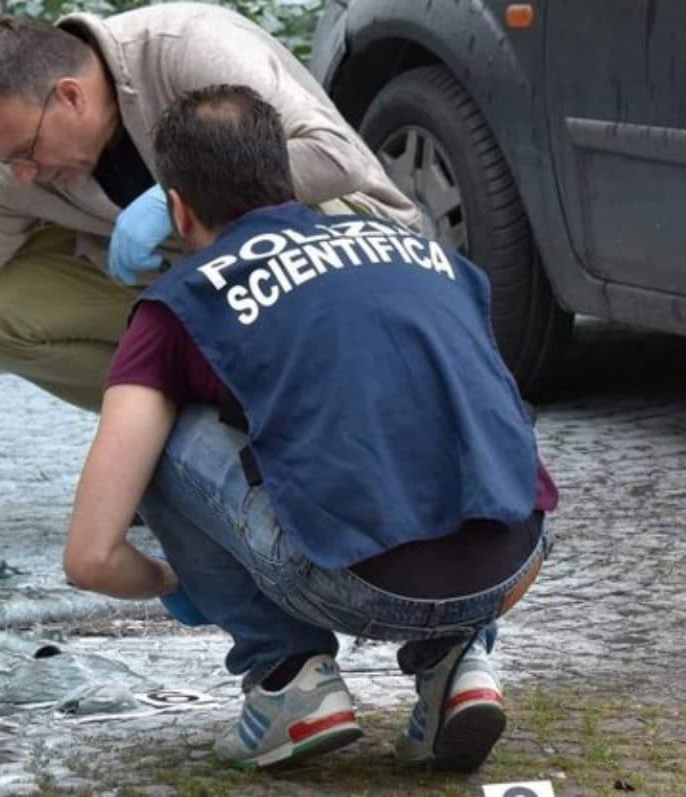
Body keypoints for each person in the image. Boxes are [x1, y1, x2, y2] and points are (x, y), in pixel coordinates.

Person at [61, 84, 558, 772]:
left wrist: (182, 578)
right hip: (516, 556)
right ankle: (458, 663)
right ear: (283, 174)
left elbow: (89, 553)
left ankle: (287, 676)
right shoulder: (425, 252)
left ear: (175, 206)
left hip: (356, 582)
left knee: (155, 437)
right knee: (433, 396)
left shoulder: (183, 302)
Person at [0, 2, 419, 548]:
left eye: (26, 153)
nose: (22, 176)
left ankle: (347, 438)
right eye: (8, 160)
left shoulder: (189, 47)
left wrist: (180, 194)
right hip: (200, 284)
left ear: (70, 97)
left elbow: (338, 158)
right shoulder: (20, 166)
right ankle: (187, 445)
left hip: (326, 247)